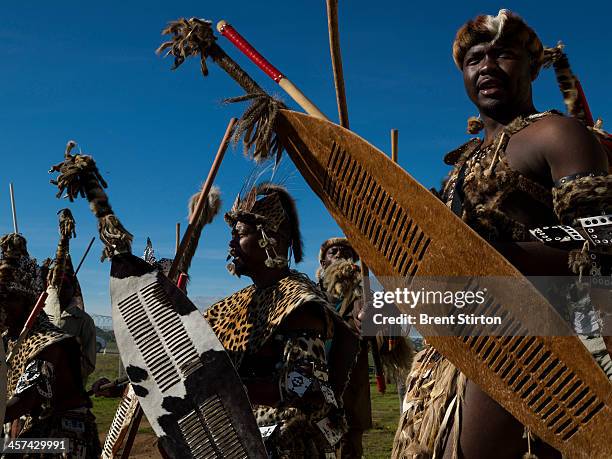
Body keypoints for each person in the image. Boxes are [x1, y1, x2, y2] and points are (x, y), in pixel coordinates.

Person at [392, 9, 610, 459]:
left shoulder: (557, 134)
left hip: (542, 345)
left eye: (503, 54)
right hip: (457, 350)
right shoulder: (464, 162)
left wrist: (492, 256)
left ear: (533, 66)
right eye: (474, 59)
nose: (487, 67)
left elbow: (602, 245)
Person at [204, 184, 359, 458]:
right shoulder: (240, 301)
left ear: (271, 238)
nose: (230, 244)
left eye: (239, 234)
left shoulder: (299, 304)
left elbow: (305, 386)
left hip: (286, 446)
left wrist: (229, 387)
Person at [0, 233, 101, 458]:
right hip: (30, 428)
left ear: (28, 303)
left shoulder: (47, 343)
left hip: (62, 439)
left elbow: (25, 402)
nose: (2, 305)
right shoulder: (10, 338)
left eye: (9, 298)